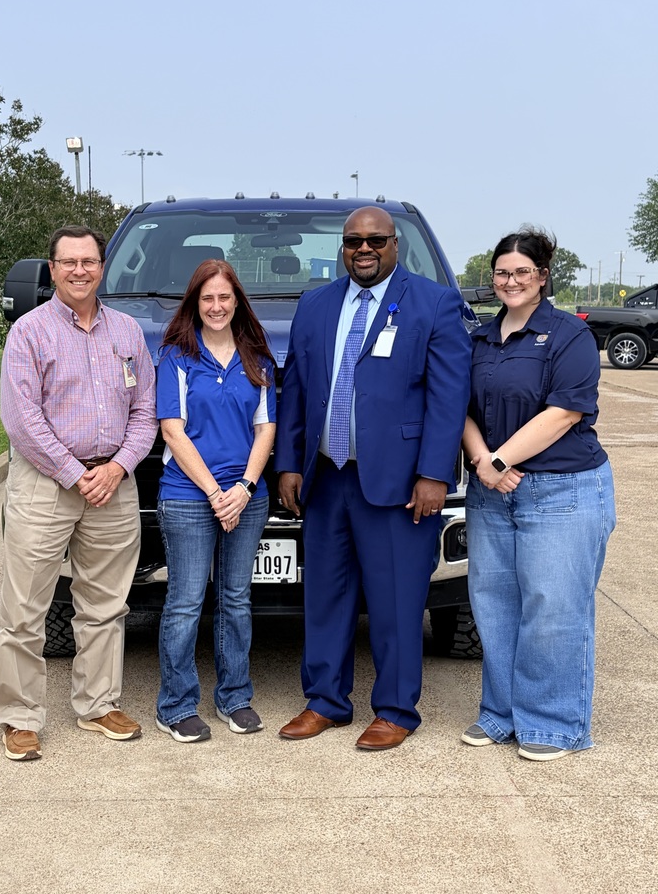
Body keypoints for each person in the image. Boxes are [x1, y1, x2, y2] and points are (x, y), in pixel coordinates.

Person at [275, 206, 472, 750]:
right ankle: (325, 702)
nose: (364, 249)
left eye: (375, 240)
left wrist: (435, 473)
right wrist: (290, 463)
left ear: (395, 245)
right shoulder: (315, 304)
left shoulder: (434, 303)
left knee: (395, 601)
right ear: (343, 247)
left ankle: (396, 709)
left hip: (400, 482)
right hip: (327, 477)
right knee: (326, 596)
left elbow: (449, 395)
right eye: (354, 241)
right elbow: (294, 389)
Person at [0, 226, 158, 761]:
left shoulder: (128, 332)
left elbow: (146, 410)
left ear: (102, 267)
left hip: (114, 485)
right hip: (46, 484)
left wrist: (118, 467)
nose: (80, 270)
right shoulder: (29, 332)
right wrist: (73, 471)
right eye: (69, 262)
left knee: (106, 605)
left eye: (89, 261)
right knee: (25, 608)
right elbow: (22, 418)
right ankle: (17, 716)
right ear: (53, 269)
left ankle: (98, 704)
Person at [461, 228, 616, 761]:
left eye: (522, 272)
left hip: (562, 490)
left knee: (552, 608)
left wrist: (500, 460)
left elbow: (565, 411)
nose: (510, 281)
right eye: (502, 272)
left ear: (543, 277)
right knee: (494, 606)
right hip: (491, 492)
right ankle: (501, 715)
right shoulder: (479, 338)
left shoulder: (570, 336)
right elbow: (459, 408)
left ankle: (552, 723)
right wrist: (484, 463)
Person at [155, 259, 276, 743]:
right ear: (195, 303)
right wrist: (214, 493)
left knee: (235, 600)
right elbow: (172, 430)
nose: (217, 306)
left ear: (237, 302)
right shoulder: (177, 357)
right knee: (185, 602)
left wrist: (243, 489)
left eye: (225, 297)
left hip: (246, 496)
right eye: (207, 298)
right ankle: (176, 705)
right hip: (189, 496)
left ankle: (235, 697)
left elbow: (265, 429)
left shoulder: (257, 359)